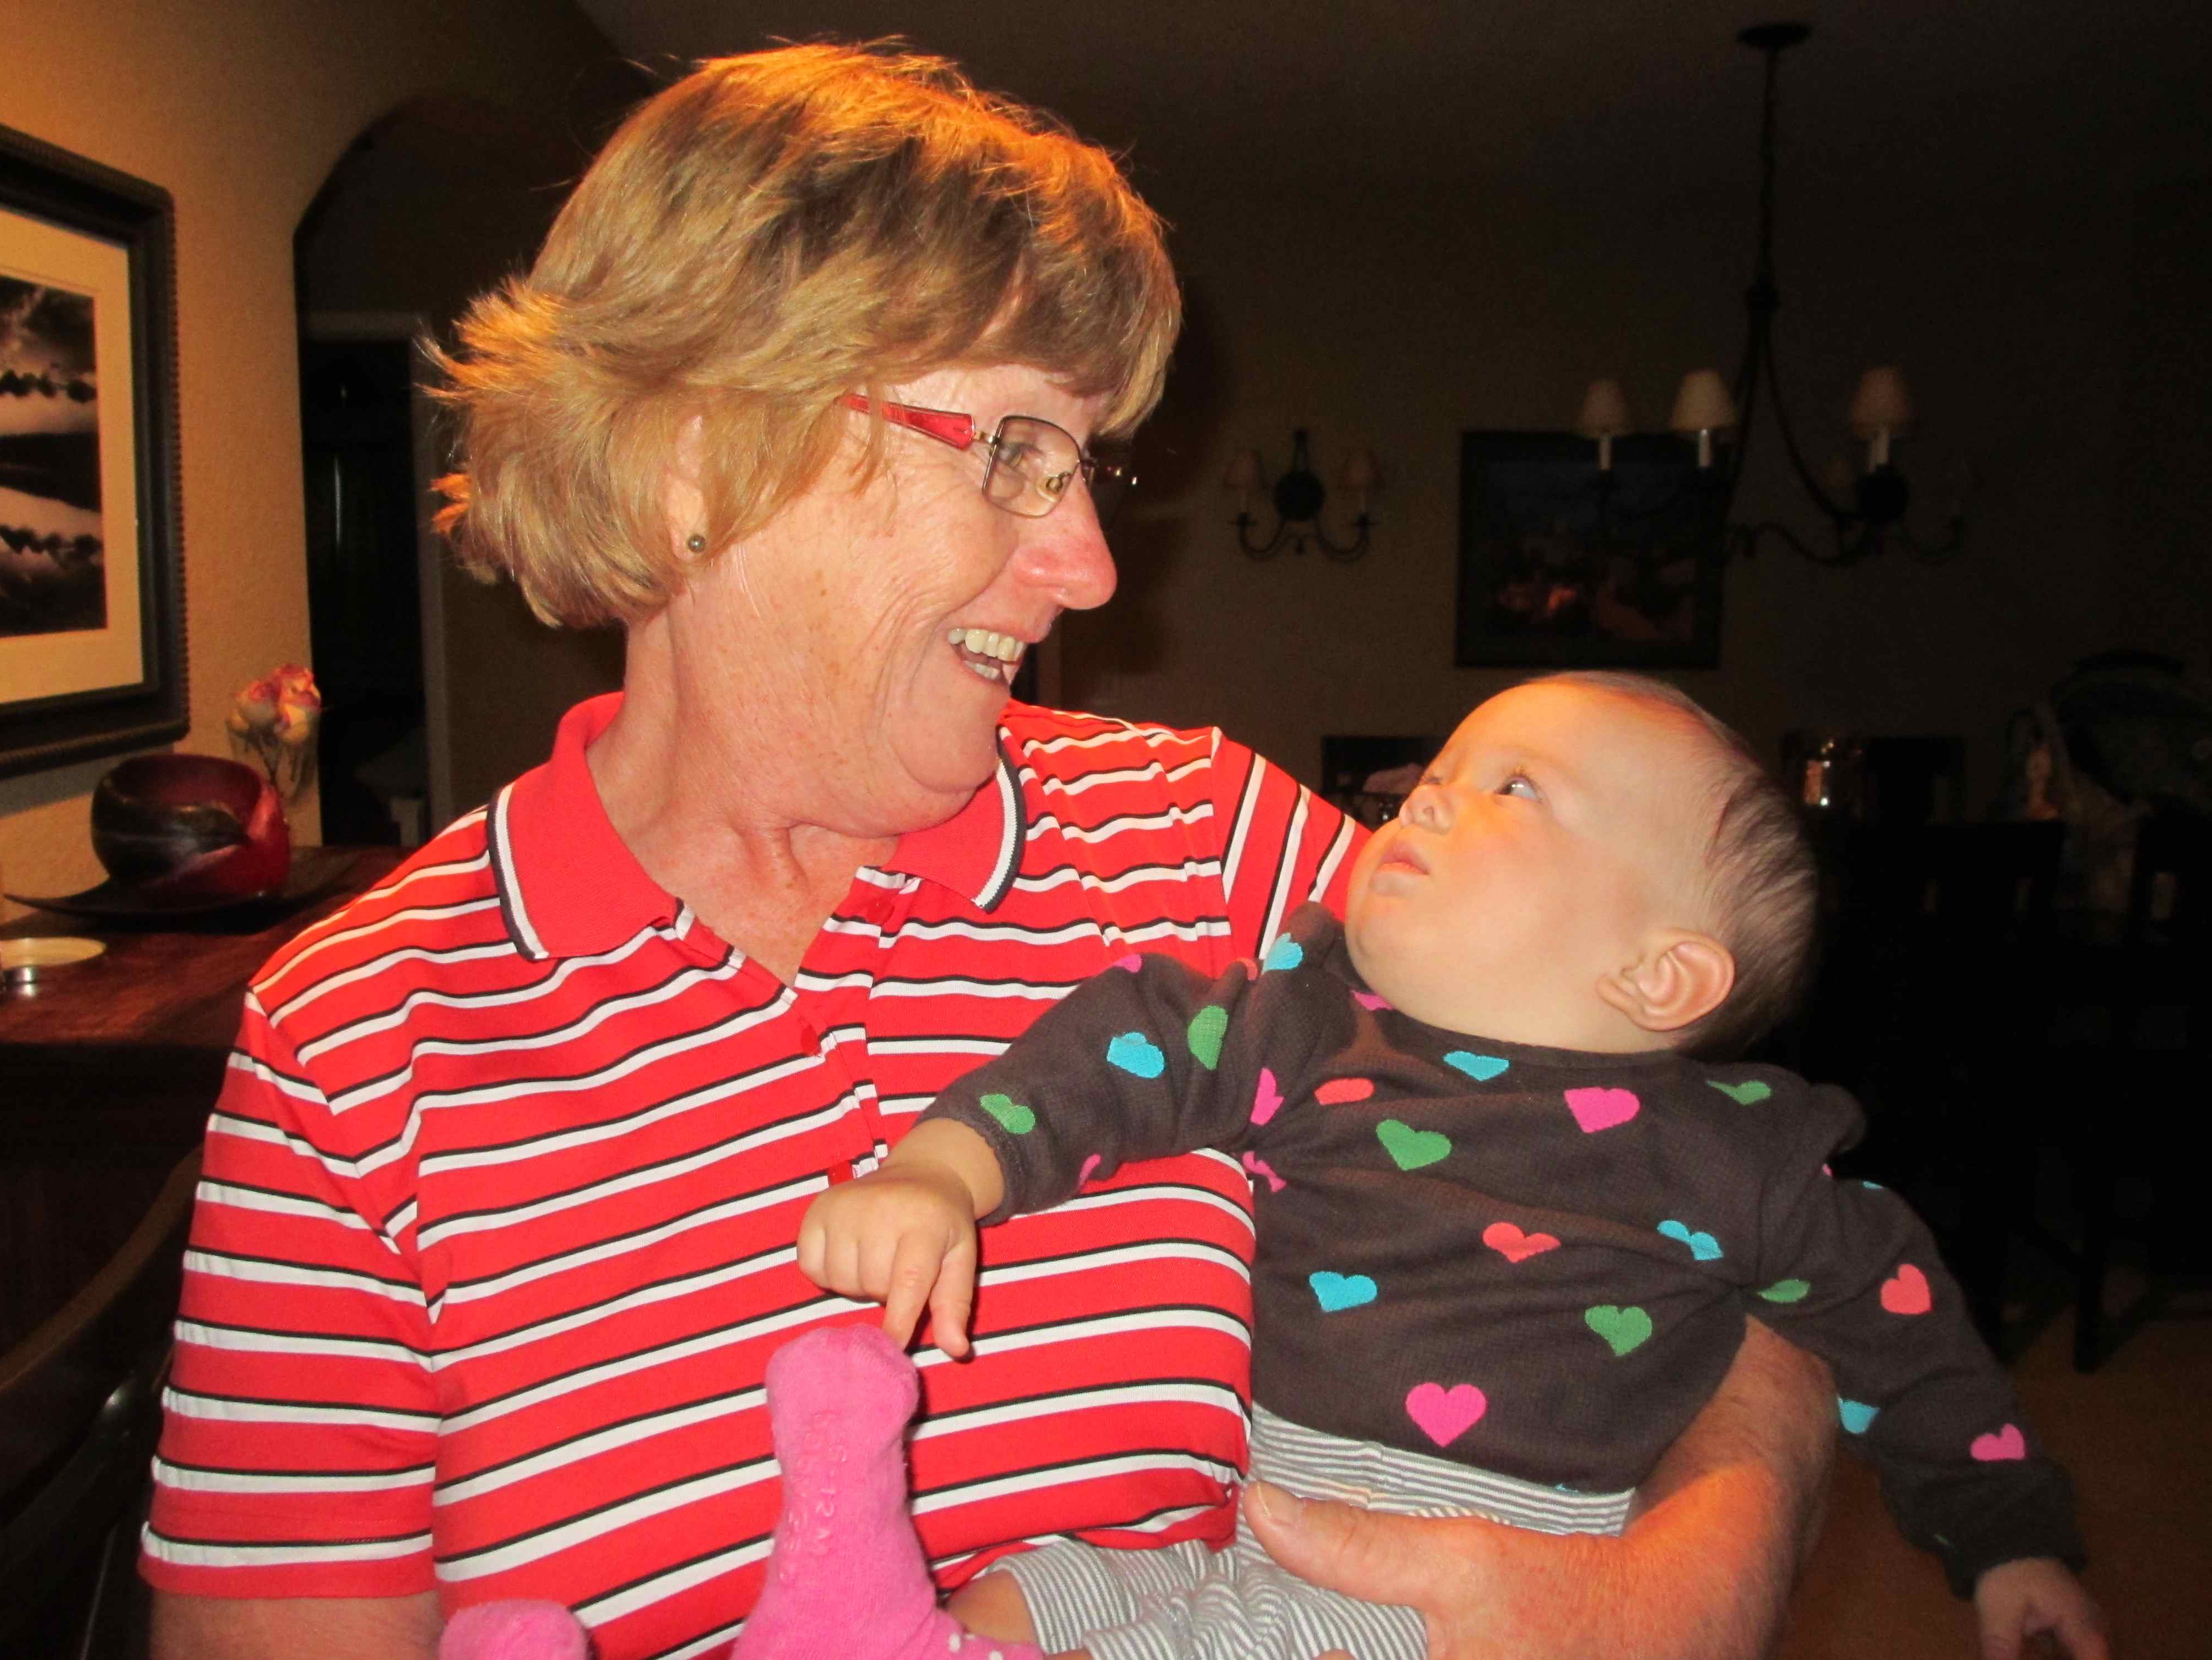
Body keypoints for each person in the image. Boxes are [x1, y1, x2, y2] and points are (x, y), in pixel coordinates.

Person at [142, 45, 1835, 1660]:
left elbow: (1742, 1221)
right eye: (1013, 451)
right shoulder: (355, 1045)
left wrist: (1683, 1596)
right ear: (694, 459)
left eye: (1085, 465)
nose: (1092, 565)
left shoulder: (1216, 846)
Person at [783, 673, 2107, 1660]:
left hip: (1480, 1589)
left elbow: (1899, 1333)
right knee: (1031, 1588)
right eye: (1447, 766)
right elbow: (1123, 1047)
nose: (1428, 788)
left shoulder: (1733, 1152)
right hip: (1255, 1529)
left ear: (1658, 975)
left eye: (1514, 790)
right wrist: (943, 1172)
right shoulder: (1309, 1024)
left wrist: (2006, 1536)